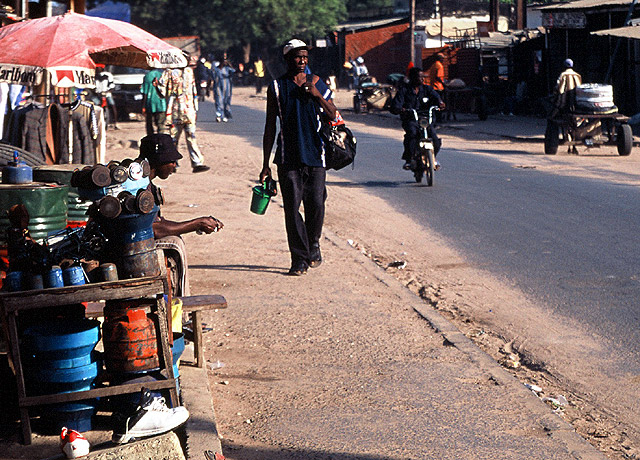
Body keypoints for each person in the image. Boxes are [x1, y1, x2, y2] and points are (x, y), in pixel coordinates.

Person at [260, 38, 337, 276]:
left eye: (305, 57)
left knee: (315, 203)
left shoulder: (316, 83)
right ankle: (299, 259)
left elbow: (333, 113)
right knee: (292, 209)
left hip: (316, 154)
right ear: (287, 60)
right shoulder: (276, 87)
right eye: (297, 57)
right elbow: (270, 127)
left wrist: (316, 95)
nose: (302, 61)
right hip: (287, 157)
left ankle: (313, 243)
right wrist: (265, 165)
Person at [138, 133, 223, 239]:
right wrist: (198, 224)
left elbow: (158, 222)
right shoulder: (137, 187)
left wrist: (198, 224)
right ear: (158, 160)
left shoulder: (146, 184)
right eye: (171, 161)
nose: (174, 165)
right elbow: (155, 230)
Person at [158, 61, 210, 173]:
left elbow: (193, 90)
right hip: (177, 112)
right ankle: (173, 163)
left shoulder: (187, 72)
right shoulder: (169, 73)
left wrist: (195, 108)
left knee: (189, 137)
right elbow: (162, 91)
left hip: (186, 111)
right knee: (174, 139)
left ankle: (196, 163)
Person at [390, 66, 445, 171]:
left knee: (434, 137)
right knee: (412, 134)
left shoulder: (427, 89)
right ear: (413, 78)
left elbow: (436, 97)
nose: (422, 79)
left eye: (423, 77)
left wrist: (440, 103)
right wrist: (400, 109)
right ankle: (409, 159)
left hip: (425, 119)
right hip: (411, 119)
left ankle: (433, 157)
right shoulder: (404, 90)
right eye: (420, 77)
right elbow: (396, 105)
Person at [141, 68, 167, 136]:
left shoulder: (147, 76)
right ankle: (160, 139)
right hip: (161, 103)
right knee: (160, 124)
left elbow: (145, 92)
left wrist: (143, 106)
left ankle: (150, 140)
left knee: (149, 123)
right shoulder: (162, 75)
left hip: (150, 103)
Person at [95, 65, 118, 130]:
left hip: (107, 94)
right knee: (95, 106)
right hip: (98, 94)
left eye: (98, 68)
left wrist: (108, 91)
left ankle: (115, 123)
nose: (97, 69)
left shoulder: (108, 75)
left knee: (113, 105)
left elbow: (112, 85)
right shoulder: (95, 76)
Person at [215, 56, 235, 122]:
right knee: (219, 100)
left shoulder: (227, 69)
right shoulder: (216, 69)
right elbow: (212, 76)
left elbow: (233, 71)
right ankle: (219, 115)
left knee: (226, 100)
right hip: (218, 86)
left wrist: (230, 65)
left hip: (227, 86)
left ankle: (226, 115)